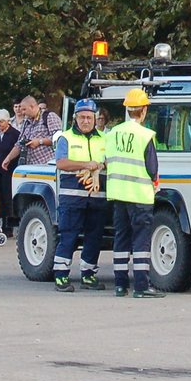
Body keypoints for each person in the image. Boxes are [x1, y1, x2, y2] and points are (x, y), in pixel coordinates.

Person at [106, 88, 164, 298]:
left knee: (121, 239)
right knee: (141, 241)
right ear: (144, 110)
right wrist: (155, 183)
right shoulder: (145, 135)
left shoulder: (112, 133)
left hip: (118, 195)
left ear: (127, 109)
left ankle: (120, 285)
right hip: (139, 196)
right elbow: (152, 168)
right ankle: (141, 286)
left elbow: (107, 161)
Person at [51, 99, 109, 292]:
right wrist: (86, 164)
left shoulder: (104, 139)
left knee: (94, 237)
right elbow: (61, 163)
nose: (86, 121)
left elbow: (110, 161)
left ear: (95, 119)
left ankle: (89, 274)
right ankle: (60, 275)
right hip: (72, 198)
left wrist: (104, 164)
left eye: (89, 117)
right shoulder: (66, 138)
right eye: (82, 117)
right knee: (69, 236)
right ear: (75, 118)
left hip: (97, 197)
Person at [0, 108, 20, 233]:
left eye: (1, 122)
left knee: (7, 195)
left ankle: (8, 226)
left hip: (9, 168)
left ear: (7, 121)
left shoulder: (15, 134)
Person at [12, 96, 61, 167]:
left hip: (47, 166)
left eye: (24, 109)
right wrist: (8, 159)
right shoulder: (26, 122)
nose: (22, 113)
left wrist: (40, 141)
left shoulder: (49, 116)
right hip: (30, 167)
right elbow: (19, 144)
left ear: (32, 106)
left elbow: (59, 139)